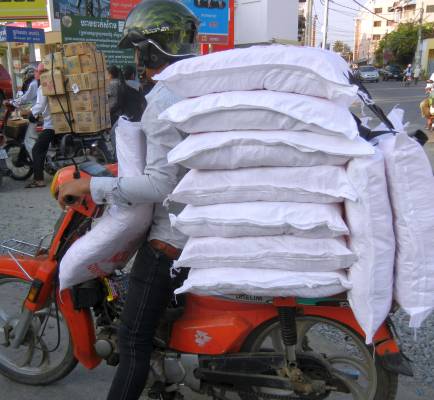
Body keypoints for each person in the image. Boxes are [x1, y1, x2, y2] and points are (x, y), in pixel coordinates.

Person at [57, 2, 199, 399]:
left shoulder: (164, 100)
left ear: (149, 50)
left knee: (132, 338)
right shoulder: (193, 87)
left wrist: (92, 187)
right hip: (196, 223)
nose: (136, 59)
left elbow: (158, 185)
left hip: (172, 237)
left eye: (138, 49)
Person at [26, 63, 55, 188]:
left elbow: (40, 105)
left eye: (38, 72)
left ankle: (39, 180)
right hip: (63, 123)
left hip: (51, 125)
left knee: (37, 149)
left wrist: (32, 113)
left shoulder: (43, 86)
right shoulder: (56, 83)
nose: (36, 74)